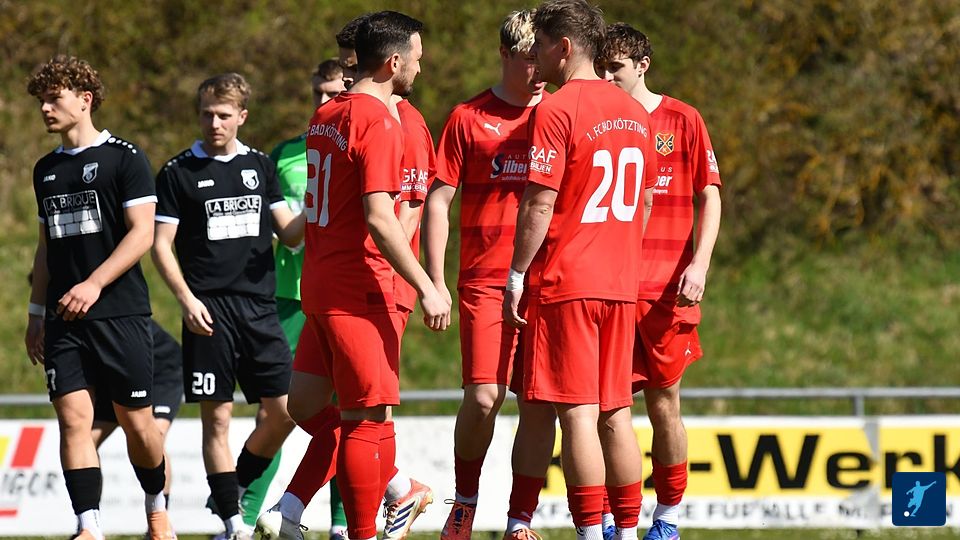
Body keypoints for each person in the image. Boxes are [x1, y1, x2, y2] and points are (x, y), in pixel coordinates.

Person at [502, 2, 657, 539]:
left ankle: (591, 532)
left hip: (568, 282)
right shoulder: (636, 112)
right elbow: (644, 203)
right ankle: (627, 531)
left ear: (563, 47)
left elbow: (540, 202)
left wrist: (516, 274)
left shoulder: (556, 108)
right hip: (620, 284)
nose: (536, 55)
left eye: (542, 44)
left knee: (577, 414)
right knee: (616, 413)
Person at [297, 10, 449, 540]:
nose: (420, 68)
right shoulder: (380, 121)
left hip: (320, 282)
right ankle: (366, 528)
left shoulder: (326, 113)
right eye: (417, 59)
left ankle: (317, 505)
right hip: (361, 284)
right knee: (363, 419)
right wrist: (428, 285)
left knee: (328, 409)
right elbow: (385, 219)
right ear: (393, 63)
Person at [24, 55, 173, 540]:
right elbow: (46, 247)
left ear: (85, 100)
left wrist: (94, 284)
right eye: (41, 100)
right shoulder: (45, 169)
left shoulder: (124, 158)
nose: (45, 108)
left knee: (138, 424)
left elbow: (142, 233)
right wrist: (35, 313)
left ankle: (157, 505)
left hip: (120, 314)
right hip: (64, 321)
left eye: (54, 98)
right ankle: (88, 526)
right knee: (73, 420)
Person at [151, 72, 305, 540]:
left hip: (259, 310)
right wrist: (186, 299)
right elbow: (160, 245)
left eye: (223, 115)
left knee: (286, 411)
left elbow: (290, 234)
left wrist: (320, 204)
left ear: (242, 116)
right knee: (216, 419)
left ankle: (235, 485)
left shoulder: (259, 166)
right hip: (208, 312)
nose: (214, 123)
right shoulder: (177, 172)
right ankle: (232, 524)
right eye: (206, 114)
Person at [423, 9, 557, 540]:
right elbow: (439, 199)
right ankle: (465, 500)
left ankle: (520, 520)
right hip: (486, 278)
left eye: (544, 59)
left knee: (540, 404)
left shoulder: (561, 113)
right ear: (504, 54)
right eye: (528, 60)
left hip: (549, 278)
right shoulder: (468, 117)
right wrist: (435, 279)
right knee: (484, 397)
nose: (539, 71)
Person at [598, 22, 722, 540]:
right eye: (601, 68)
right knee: (608, 410)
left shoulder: (683, 119)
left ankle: (668, 517)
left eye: (616, 68)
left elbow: (710, 195)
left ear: (643, 65)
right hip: (608, 288)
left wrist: (700, 264)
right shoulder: (599, 120)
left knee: (664, 404)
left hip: (667, 291)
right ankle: (612, 518)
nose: (607, 77)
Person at [259, 58, 349, 540]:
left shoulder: (358, 143)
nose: (323, 101)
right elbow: (287, 235)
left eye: (333, 93)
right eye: (317, 92)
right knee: (278, 410)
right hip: (288, 297)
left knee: (349, 408)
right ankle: (247, 519)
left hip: (340, 293)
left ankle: (342, 523)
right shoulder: (286, 153)